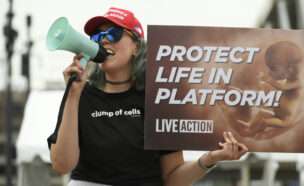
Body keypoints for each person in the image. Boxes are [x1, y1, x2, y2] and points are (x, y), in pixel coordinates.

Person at [47, 7, 248, 186]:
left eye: (114, 33)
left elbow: (172, 179)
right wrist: (72, 96)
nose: (104, 39)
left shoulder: (157, 100)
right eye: (97, 37)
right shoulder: (81, 94)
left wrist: (211, 158)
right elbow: (62, 164)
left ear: (136, 46)